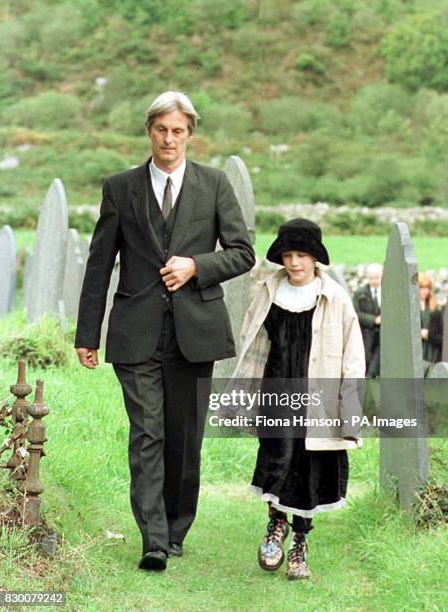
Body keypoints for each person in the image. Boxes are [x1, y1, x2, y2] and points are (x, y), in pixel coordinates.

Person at [74, 91, 255, 572]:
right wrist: (86, 333)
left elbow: (242, 251)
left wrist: (197, 265)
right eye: (161, 129)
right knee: (147, 433)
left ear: (190, 135)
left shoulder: (214, 185)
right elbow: (99, 265)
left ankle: (176, 529)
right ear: (149, 131)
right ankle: (152, 539)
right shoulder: (119, 187)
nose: (168, 139)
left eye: (178, 131)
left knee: (184, 438)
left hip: (196, 332)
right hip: (135, 332)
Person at [230, 219, 365, 581]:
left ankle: (300, 542)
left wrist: (349, 410)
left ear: (315, 258)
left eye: (301, 255)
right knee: (278, 459)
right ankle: (275, 526)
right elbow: (251, 343)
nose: (294, 263)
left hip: (317, 400)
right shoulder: (268, 292)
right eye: (288, 255)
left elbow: (353, 357)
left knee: (309, 470)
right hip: (276, 393)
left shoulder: (335, 299)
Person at [353, 263, 382, 378]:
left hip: (383, 336)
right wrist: (374, 320)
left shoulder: (388, 291)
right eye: (371, 278)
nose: (374, 281)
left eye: (376, 278)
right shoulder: (360, 293)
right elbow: (355, 314)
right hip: (366, 335)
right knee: (367, 364)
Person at [418, 272, 443, 367]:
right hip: (418, 348)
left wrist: (429, 335)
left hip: (433, 350)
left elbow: (440, 334)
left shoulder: (435, 308)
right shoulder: (410, 307)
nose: (424, 291)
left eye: (427, 288)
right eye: (421, 288)